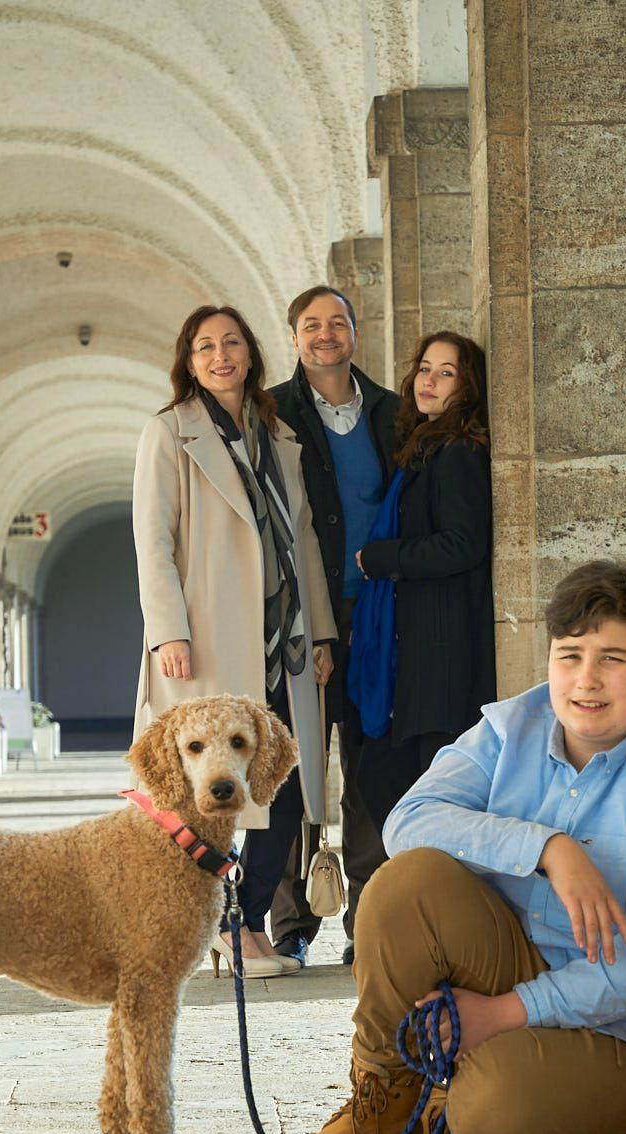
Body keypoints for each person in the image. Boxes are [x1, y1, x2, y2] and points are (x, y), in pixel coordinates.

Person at [289, 561, 626, 1134]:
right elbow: (409, 820)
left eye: (613, 659)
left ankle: (456, 1097)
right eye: (569, 656)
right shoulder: (511, 727)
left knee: (495, 1122)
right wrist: (548, 848)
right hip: (519, 965)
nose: (587, 680)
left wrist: (505, 1012)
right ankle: (387, 1096)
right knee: (405, 884)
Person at [131, 304, 337, 978]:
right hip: (208, 640)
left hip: (284, 640)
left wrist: (322, 632)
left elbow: (302, 538)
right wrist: (168, 631)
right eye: (205, 347)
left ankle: (246, 922)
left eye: (231, 343)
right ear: (189, 363)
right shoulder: (169, 433)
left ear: (251, 353)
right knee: (207, 794)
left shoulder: (276, 436)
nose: (220, 356)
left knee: (280, 778)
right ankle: (215, 925)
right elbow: (153, 542)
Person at [263, 286, 401, 969]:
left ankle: (368, 918)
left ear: (354, 331)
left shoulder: (392, 413)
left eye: (337, 322)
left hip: (379, 615)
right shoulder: (271, 412)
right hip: (301, 616)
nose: (326, 334)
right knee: (297, 768)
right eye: (312, 325)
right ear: (294, 337)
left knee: (370, 768)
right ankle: (290, 921)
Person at [348, 331, 495, 838]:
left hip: (441, 651)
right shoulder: (424, 448)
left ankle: (432, 875)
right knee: (383, 777)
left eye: (446, 373)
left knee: (420, 784)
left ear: (467, 387)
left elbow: (463, 544)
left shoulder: (458, 453)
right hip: (418, 648)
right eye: (425, 368)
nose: (428, 380)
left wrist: (384, 557)